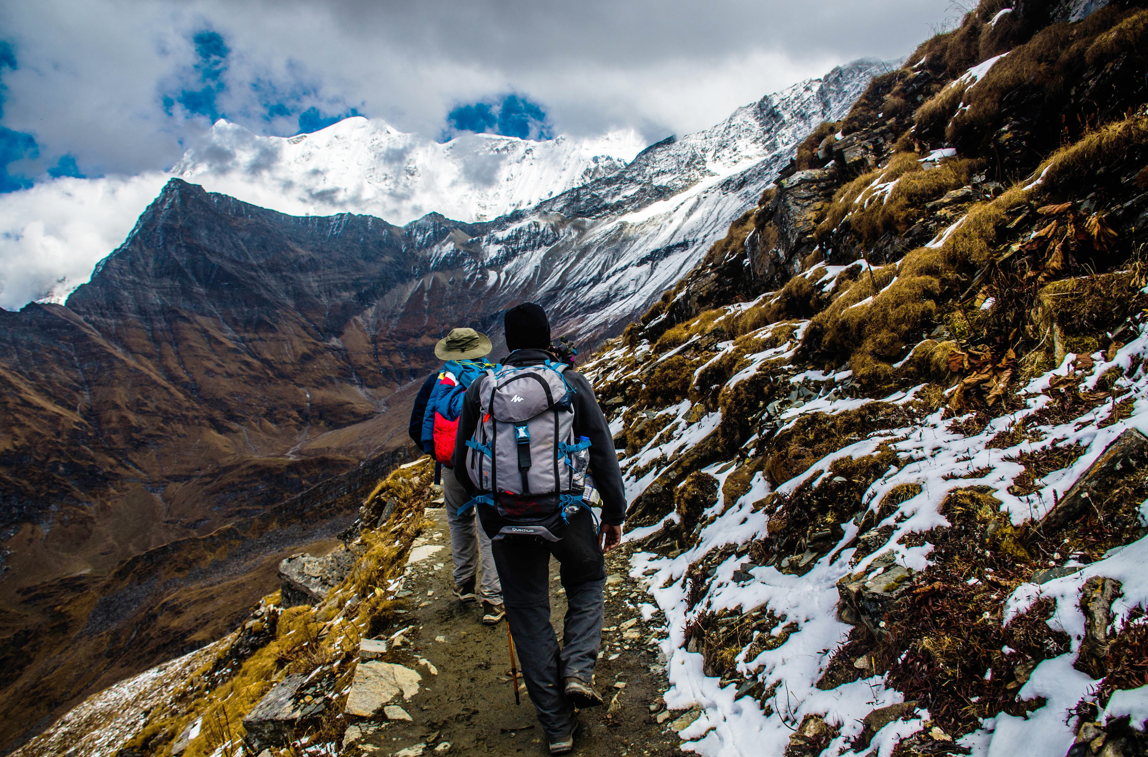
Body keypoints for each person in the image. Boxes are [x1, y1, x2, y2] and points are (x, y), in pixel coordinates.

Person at [452, 303, 625, 756]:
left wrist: (489, 509)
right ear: (548, 337)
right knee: (587, 582)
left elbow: (461, 461)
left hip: (506, 520)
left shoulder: (481, 389)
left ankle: (557, 729)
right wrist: (613, 512)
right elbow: (602, 451)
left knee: (528, 614)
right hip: (565, 513)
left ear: (508, 343)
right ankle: (577, 672)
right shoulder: (570, 383)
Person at [408, 327, 505, 625]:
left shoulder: (438, 381)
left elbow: (416, 425)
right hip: (487, 466)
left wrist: (440, 454)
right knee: (489, 525)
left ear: (449, 352)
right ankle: (493, 598)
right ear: (480, 349)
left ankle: (464, 585)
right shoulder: (495, 376)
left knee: (459, 520)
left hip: (451, 466)